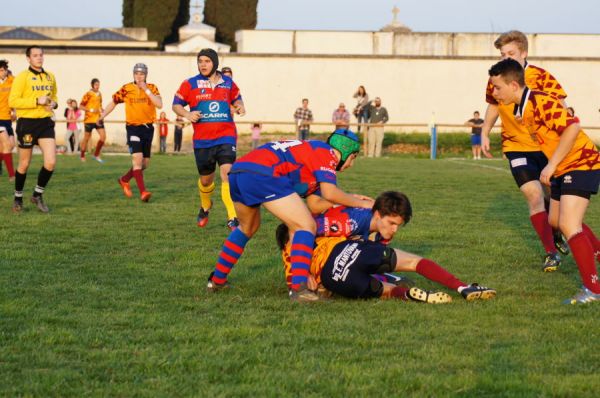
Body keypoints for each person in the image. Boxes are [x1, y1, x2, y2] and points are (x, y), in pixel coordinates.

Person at [206, 129, 374, 302]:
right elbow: (330, 193)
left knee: (247, 228)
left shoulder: (315, 158)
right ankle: (299, 289)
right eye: (353, 157)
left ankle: (217, 280)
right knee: (306, 225)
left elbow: (315, 205)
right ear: (345, 151)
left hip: (240, 172)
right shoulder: (327, 153)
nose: (351, 164)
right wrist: (362, 203)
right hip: (264, 173)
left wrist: (348, 199)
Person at [489, 58, 600, 304]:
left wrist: (551, 164)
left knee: (570, 225)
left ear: (514, 85)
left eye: (498, 87)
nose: (494, 92)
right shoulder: (523, 108)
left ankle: (593, 290)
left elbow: (573, 127)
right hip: (564, 166)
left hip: (581, 162)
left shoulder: (540, 101)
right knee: (555, 220)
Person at [289, 191, 496, 301]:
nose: (395, 230)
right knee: (408, 263)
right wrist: (303, 272)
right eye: (392, 223)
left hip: (337, 277)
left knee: (382, 284)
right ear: (377, 215)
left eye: (399, 225)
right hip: (324, 259)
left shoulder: (380, 231)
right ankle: (462, 287)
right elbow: (300, 229)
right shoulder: (350, 220)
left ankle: (408, 293)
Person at [480, 30, 568, 272]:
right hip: (516, 147)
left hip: (546, 146)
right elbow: (493, 105)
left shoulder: (542, 77)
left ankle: (557, 230)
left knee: (555, 198)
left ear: (524, 53)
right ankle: (551, 253)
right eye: (502, 53)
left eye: (511, 53)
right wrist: (485, 131)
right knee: (533, 195)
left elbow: (561, 106)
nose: (506, 57)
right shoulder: (496, 77)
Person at [172, 48, 245, 230]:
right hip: (203, 141)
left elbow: (238, 99)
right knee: (206, 180)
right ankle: (205, 207)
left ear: (215, 63)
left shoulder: (228, 83)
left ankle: (232, 216)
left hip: (226, 136)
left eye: (206, 61)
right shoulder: (190, 84)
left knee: (227, 173)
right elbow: (176, 105)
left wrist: (240, 106)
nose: (203, 64)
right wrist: (187, 114)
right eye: (200, 61)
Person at [99, 63, 162, 202]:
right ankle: (143, 192)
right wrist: (102, 116)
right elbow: (113, 102)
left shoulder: (152, 87)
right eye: (136, 74)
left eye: (142, 74)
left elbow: (159, 104)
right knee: (137, 159)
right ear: (133, 74)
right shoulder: (126, 88)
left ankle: (124, 179)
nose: (139, 76)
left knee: (144, 164)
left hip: (148, 128)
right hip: (133, 128)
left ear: (146, 75)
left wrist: (147, 90)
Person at [8, 45, 58, 213]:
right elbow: (13, 101)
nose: (39, 58)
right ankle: (18, 198)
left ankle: (37, 195)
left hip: (45, 123)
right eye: (35, 55)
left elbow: (54, 96)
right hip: (27, 124)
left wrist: (53, 103)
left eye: (41, 55)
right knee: (24, 163)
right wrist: (37, 101)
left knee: (50, 162)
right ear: (28, 58)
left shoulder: (50, 76)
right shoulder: (22, 77)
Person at [79, 78, 107, 163]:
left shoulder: (99, 94)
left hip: (98, 119)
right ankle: (82, 155)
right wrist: (91, 110)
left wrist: (102, 110)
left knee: (103, 136)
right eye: (96, 85)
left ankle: (96, 154)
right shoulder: (88, 94)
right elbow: (81, 106)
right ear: (92, 85)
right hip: (89, 120)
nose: (97, 86)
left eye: (98, 85)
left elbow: (99, 105)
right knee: (86, 138)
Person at [0, 59, 16, 181]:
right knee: (6, 144)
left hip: (8, 118)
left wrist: (14, 111)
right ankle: (12, 175)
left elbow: (16, 95)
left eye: (2, 70)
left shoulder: (12, 80)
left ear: (6, 71)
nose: (0, 72)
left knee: (11, 145)